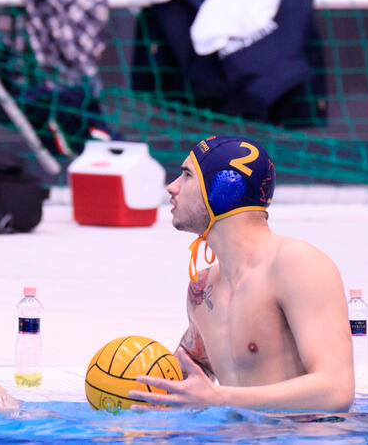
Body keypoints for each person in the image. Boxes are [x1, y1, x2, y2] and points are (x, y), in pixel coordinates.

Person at [129, 136, 354, 412]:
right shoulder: (202, 289)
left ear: (223, 187)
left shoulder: (297, 264)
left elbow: (336, 389)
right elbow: (188, 382)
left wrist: (219, 398)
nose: (171, 187)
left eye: (187, 175)